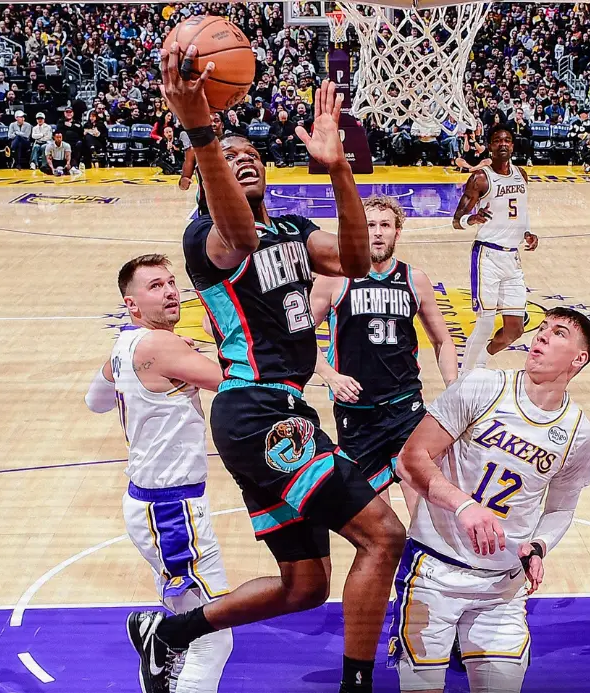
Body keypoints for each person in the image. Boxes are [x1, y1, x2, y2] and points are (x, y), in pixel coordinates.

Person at [128, 46, 405, 693]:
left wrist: (339, 170)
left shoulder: (293, 229)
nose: (244, 156)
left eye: (252, 153)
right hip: (256, 409)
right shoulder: (205, 237)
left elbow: (357, 261)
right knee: (383, 534)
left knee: (305, 586)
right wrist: (202, 132)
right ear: (207, 175)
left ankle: (170, 633)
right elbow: (242, 237)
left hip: (280, 411)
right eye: (230, 156)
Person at [390, 307, 590, 693]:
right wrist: (463, 505)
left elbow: (561, 509)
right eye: (542, 328)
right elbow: (411, 459)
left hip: (502, 588)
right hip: (434, 574)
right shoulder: (482, 386)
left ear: (578, 358)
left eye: (558, 333)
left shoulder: (579, 433)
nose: (541, 335)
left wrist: (539, 545)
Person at [85, 254, 233, 693]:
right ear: (131, 304)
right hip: (171, 509)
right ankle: (159, 638)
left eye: (171, 282)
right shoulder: (159, 346)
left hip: (153, 503)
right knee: (214, 638)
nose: (170, 291)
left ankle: (157, 637)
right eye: (155, 286)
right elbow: (235, 382)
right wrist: (222, 337)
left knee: (190, 617)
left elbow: (95, 401)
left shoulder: (125, 346)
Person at [311, 195, 457, 513]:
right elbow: (299, 336)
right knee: (379, 525)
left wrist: (453, 389)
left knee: (426, 515)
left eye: (385, 225)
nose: (377, 232)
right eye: (370, 225)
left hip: (406, 408)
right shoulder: (334, 279)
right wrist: (329, 375)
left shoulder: (414, 279)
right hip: (357, 414)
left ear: (397, 232)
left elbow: (443, 341)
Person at [453, 125, 539, 375]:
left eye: (507, 140)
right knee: (486, 322)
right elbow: (457, 220)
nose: (503, 144)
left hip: (513, 258)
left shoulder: (521, 174)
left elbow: (521, 211)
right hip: (487, 256)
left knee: (515, 329)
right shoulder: (480, 178)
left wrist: (528, 233)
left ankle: (480, 359)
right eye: (497, 140)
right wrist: (472, 218)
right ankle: (464, 377)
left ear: (512, 145)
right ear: (489, 146)